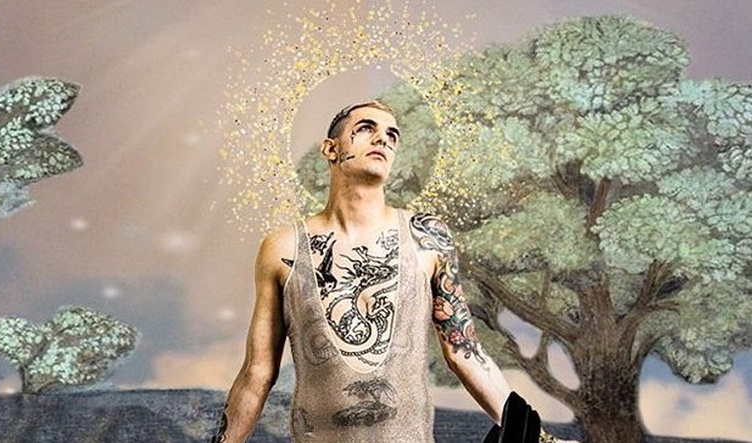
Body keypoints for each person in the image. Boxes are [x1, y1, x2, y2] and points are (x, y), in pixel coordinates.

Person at [214, 101, 572, 442]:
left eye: (392, 135)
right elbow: (257, 373)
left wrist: (538, 438)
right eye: (366, 128)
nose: (382, 138)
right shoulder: (282, 248)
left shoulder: (427, 238)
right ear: (330, 149)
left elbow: (464, 351)